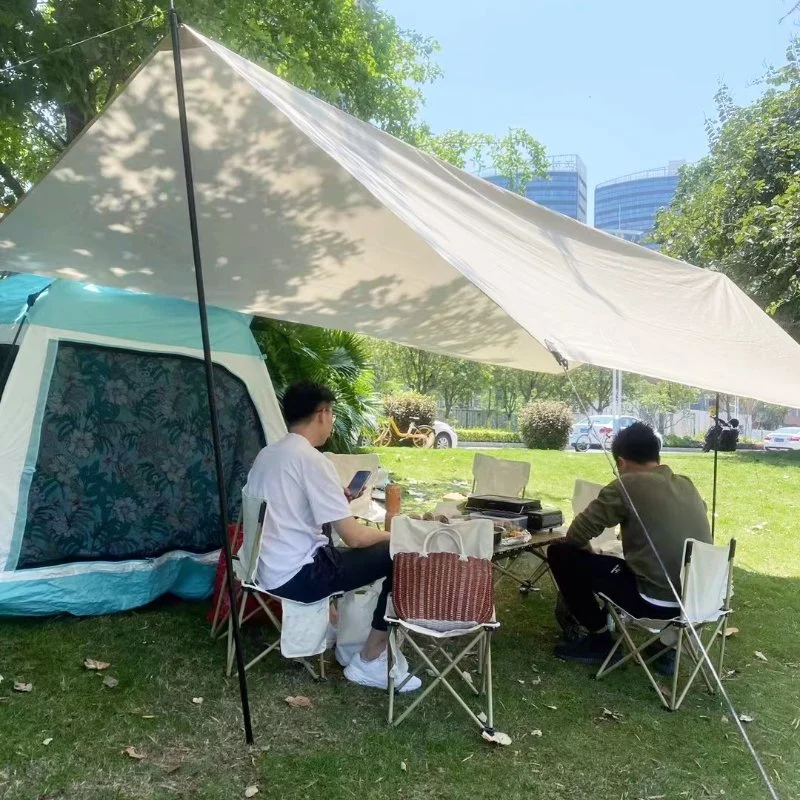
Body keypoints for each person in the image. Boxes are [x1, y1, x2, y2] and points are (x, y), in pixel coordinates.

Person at [245, 380, 420, 692]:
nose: (332, 422)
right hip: (298, 577)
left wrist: (336, 501)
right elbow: (354, 537)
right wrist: (397, 537)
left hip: (258, 569)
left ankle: (332, 622)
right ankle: (370, 660)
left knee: (342, 552)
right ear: (323, 414)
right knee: (398, 555)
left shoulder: (268, 455)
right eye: (333, 415)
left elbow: (290, 510)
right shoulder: (313, 460)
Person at [548, 422, 711, 668]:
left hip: (655, 601)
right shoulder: (687, 484)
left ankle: (600, 639)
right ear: (656, 456)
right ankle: (666, 647)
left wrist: (589, 552)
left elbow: (576, 534)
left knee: (560, 553)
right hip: (699, 600)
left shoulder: (626, 485)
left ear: (621, 463)